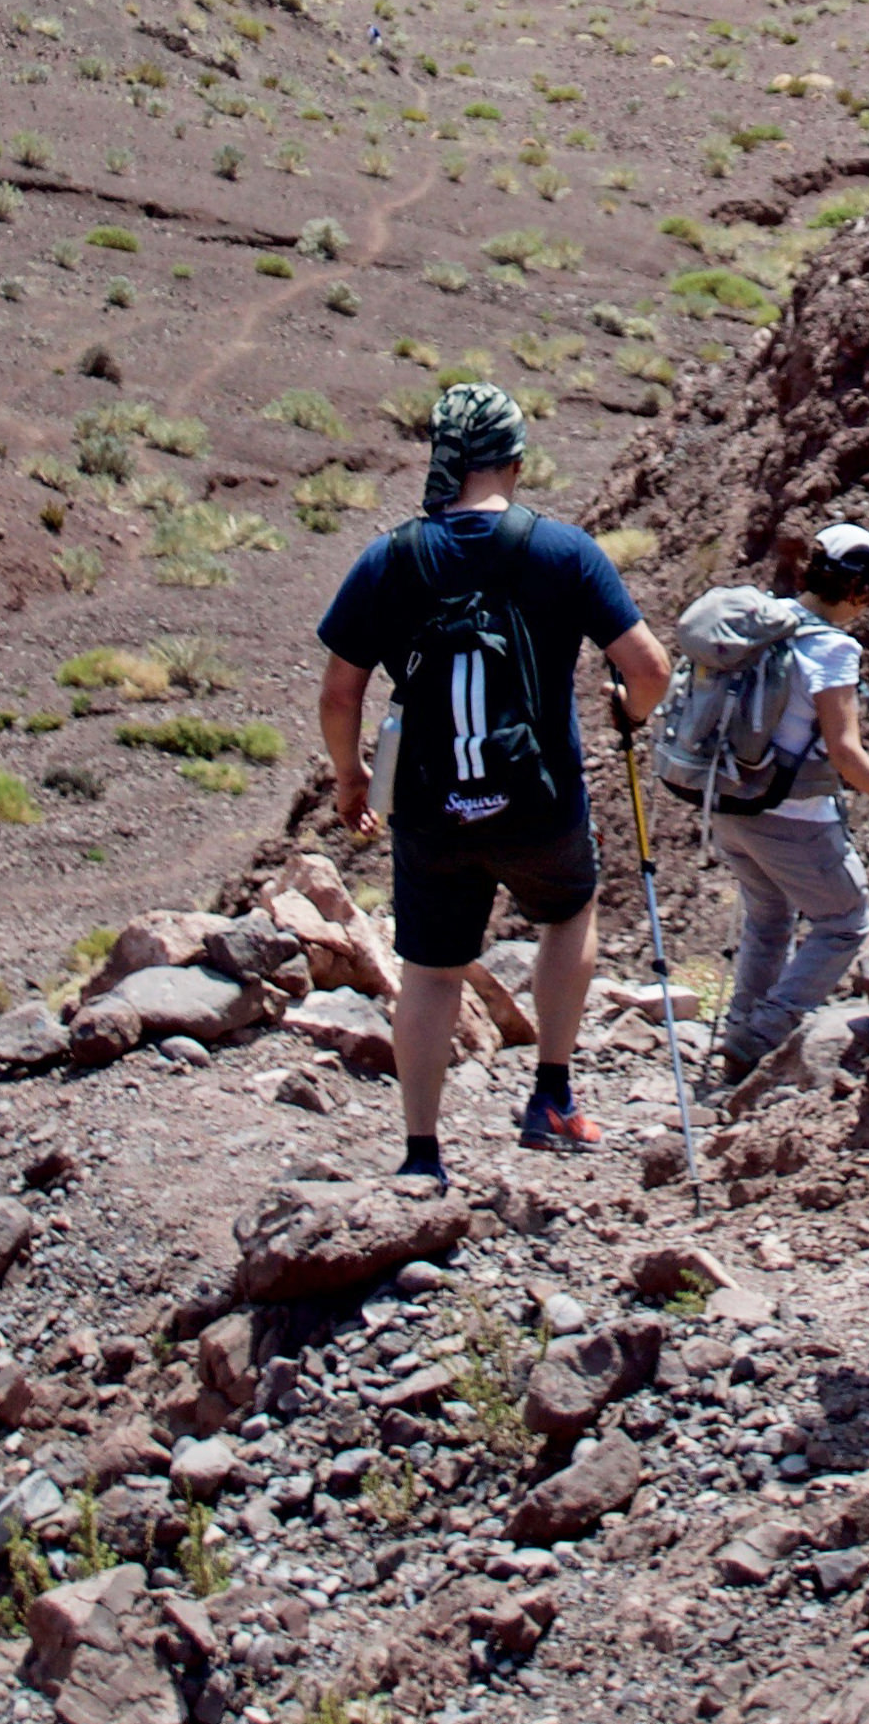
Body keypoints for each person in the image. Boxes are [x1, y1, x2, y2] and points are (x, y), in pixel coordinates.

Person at [316, 380, 672, 1181]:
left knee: (432, 970)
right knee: (568, 910)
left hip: (429, 806)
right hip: (538, 798)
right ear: (514, 458)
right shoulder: (563, 550)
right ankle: (551, 1096)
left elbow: (341, 691)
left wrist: (351, 777)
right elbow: (649, 670)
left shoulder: (392, 556)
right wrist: (628, 709)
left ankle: (420, 1155)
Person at [708, 524, 869, 1093]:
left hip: (728, 804)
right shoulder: (832, 648)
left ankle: (739, 1041)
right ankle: (761, 1036)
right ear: (857, 591)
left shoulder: (767, 622)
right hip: (791, 815)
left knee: (769, 918)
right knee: (846, 921)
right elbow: (845, 753)